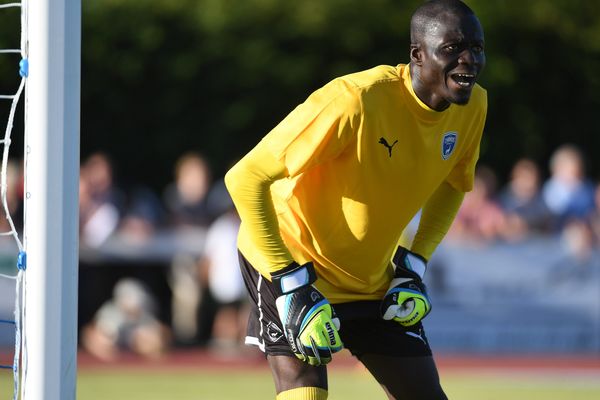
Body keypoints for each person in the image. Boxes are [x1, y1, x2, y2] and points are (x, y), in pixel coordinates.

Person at [225, 1, 487, 399]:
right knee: (305, 392)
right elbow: (245, 178)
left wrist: (413, 265)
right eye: (452, 49)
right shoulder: (356, 99)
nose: (468, 60)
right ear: (417, 55)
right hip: (293, 258)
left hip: (372, 277)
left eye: (477, 48)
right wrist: (292, 284)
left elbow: (455, 184)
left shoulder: (473, 106)